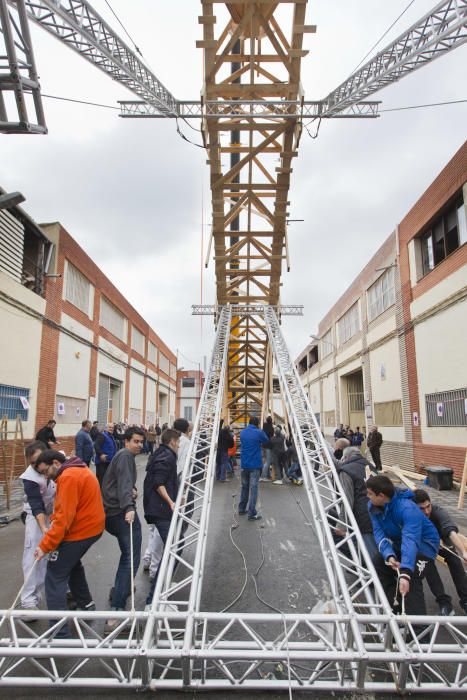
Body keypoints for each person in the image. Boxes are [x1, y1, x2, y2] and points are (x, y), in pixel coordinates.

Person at [33, 449, 105, 637]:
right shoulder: (76, 469)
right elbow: (65, 511)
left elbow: (64, 518)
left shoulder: (69, 477)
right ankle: (86, 605)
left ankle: (59, 633)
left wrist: (44, 546)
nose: (45, 476)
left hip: (80, 532)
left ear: (56, 463)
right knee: (72, 565)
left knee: (54, 577)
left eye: (45, 471)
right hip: (90, 528)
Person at [366, 475, 439, 616]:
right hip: (402, 544)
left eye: (370, 494)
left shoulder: (407, 509)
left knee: (411, 578)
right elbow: (378, 533)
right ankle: (395, 609)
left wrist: (405, 572)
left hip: (425, 546)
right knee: (379, 562)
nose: (367, 497)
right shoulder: (373, 507)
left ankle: (420, 633)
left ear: (381, 496)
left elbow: (410, 539)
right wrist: (389, 555)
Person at [101, 426, 145, 632]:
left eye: (141, 442)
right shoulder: (126, 455)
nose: (139, 445)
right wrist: (129, 506)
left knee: (127, 555)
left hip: (110, 513)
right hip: (120, 514)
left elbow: (121, 483)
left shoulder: (121, 455)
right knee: (131, 558)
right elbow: (125, 482)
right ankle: (116, 611)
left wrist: (131, 492)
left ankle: (121, 588)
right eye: (135, 441)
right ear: (126, 441)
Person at [413, 489, 467, 615]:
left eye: (428, 506)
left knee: (454, 560)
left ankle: (465, 600)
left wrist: (464, 551)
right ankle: (444, 603)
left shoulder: (438, 511)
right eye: (422, 509)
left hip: (442, 538)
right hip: (423, 543)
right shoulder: (410, 516)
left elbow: (450, 531)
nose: (427, 511)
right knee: (428, 565)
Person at [143, 428, 180, 607]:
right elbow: (158, 482)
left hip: (157, 509)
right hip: (161, 509)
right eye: (178, 442)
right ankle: (154, 597)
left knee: (173, 545)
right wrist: (171, 502)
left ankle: (160, 588)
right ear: (172, 441)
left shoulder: (161, 454)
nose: (179, 446)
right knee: (174, 546)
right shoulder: (167, 457)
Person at [19, 440, 55, 615]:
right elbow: (36, 504)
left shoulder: (56, 464)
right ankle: (28, 600)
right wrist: (44, 529)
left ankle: (61, 588)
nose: (37, 465)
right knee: (34, 553)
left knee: (55, 554)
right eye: (32, 462)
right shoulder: (30, 477)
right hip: (36, 516)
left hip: (55, 513)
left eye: (40, 459)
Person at [334, 446, 378, 561]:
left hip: (363, 516)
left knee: (372, 557)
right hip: (377, 511)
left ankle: (367, 568)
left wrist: (342, 524)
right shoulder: (370, 466)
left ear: (346, 457)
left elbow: (347, 498)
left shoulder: (346, 471)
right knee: (377, 546)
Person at [238, 417, 271, 521]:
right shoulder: (259, 432)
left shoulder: (242, 432)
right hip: (255, 465)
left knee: (244, 487)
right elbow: (266, 440)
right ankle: (251, 513)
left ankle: (242, 508)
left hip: (244, 465)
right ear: (257, 424)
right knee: (254, 489)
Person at [260, 416, 274, 481]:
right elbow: (271, 437)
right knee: (268, 461)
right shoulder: (271, 428)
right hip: (268, 446)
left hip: (263, 445)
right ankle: (263, 476)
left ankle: (268, 475)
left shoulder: (264, 426)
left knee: (265, 461)